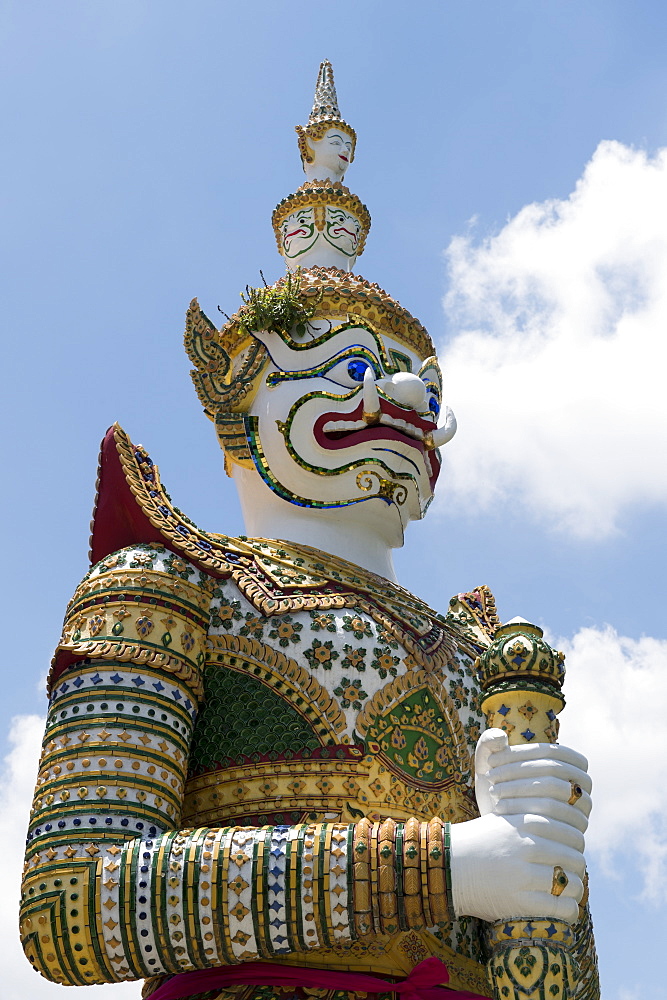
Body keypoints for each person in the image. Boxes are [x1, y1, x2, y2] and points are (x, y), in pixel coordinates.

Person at [20, 63, 597, 1000]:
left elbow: (551, 978)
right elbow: (70, 907)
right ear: (236, 400)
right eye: (348, 370)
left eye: (423, 383)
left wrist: (542, 881)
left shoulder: (481, 657)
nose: (407, 398)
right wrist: (441, 867)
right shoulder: (169, 587)